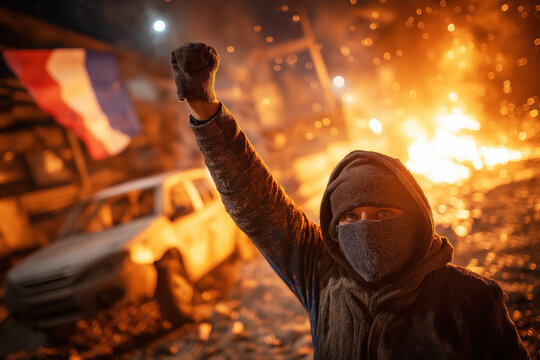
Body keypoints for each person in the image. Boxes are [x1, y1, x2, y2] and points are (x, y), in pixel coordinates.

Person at [170, 42, 530, 359]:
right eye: (351, 217)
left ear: (416, 217)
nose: (366, 227)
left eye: (383, 212)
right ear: (335, 227)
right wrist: (206, 111)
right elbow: (257, 204)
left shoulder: (470, 299)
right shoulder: (322, 278)